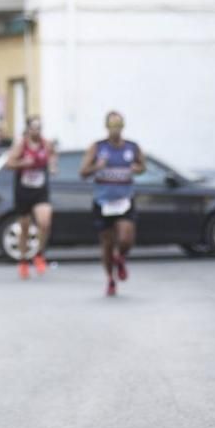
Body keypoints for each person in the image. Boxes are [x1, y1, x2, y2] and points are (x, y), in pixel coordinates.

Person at [79, 111, 145, 296]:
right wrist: (96, 167)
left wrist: (136, 168)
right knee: (107, 244)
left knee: (126, 238)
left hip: (124, 200)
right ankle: (110, 279)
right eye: (112, 125)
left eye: (119, 125)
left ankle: (121, 257)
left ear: (123, 126)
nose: (115, 129)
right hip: (104, 201)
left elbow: (142, 166)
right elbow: (83, 172)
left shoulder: (132, 147)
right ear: (106, 127)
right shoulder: (97, 147)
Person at [6, 115, 57, 278]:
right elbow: (9, 164)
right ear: (28, 129)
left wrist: (53, 165)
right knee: (25, 227)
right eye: (33, 127)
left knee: (45, 222)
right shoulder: (21, 145)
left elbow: (53, 155)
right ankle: (23, 261)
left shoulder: (46, 144)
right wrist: (22, 163)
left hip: (40, 189)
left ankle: (39, 254)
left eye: (39, 127)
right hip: (23, 190)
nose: (37, 131)